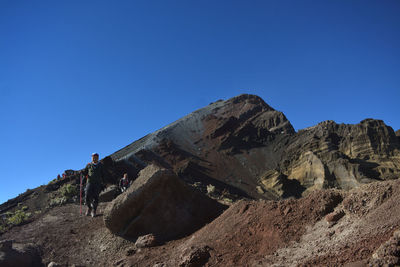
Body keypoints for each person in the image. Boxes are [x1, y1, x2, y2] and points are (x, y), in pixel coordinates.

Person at [81, 153, 105, 217]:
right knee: (87, 196)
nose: (94, 158)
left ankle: (94, 210)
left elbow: (103, 175)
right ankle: (89, 207)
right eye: (93, 157)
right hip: (89, 183)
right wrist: (82, 181)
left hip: (97, 183)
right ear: (91, 158)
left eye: (96, 157)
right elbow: (85, 173)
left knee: (96, 197)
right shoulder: (88, 165)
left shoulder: (101, 165)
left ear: (98, 157)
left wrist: (103, 183)